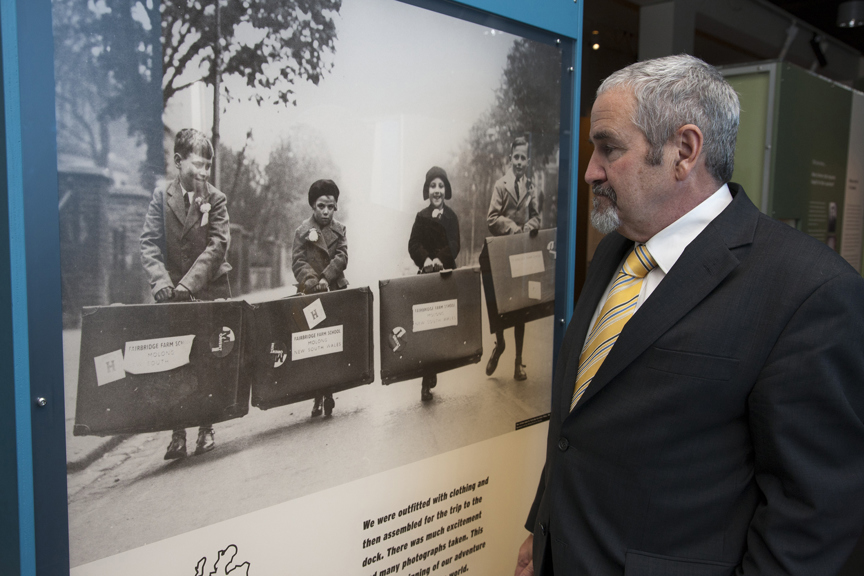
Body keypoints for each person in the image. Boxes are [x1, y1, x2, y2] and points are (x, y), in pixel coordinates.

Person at [514, 54, 864, 576]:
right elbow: (581, 421)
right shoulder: (616, 251)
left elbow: (815, 517)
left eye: (608, 147)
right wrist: (542, 530)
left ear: (684, 151)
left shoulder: (810, 292)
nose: (590, 170)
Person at [140, 128, 231, 460]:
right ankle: (177, 433)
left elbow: (217, 246)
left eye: (208, 166)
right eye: (198, 164)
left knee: (207, 358)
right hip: (171, 294)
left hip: (205, 289)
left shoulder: (216, 199)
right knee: (175, 361)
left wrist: (187, 285)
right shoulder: (160, 198)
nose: (204, 172)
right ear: (178, 162)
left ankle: (206, 427)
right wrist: (161, 281)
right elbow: (149, 243)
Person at [485, 136, 540, 381]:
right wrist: (512, 228)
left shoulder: (531, 187)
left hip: (523, 255)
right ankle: (500, 344)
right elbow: (492, 219)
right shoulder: (500, 185)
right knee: (499, 304)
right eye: (516, 157)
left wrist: (529, 225)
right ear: (510, 159)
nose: (519, 162)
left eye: (523, 158)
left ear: (527, 161)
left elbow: (537, 217)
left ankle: (518, 363)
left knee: (522, 308)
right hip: (503, 254)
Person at [292, 179, 348, 417]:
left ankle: (329, 392)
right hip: (310, 293)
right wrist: (313, 281)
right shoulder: (302, 231)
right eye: (321, 206)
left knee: (332, 342)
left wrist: (327, 277)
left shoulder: (340, 230)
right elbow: (297, 261)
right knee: (313, 344)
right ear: (313, 206)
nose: (326, 211)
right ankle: (316, 394)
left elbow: (343, 256)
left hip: (333, 290)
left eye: (330, 206)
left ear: (335, 207)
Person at [408, 166, 461, 401]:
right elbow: (413, 243)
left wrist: (440, 259)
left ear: (445, 190)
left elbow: (455, 244)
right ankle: (426, 377)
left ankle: (438, 365)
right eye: (432, 186)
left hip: (446, 274)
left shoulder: (452, 217)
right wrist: (426, 260)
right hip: (426, 276)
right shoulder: (421, 217)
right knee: (426, 325)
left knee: (443, 323)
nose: (436, 190)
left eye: (440, 186)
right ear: (427, 190)